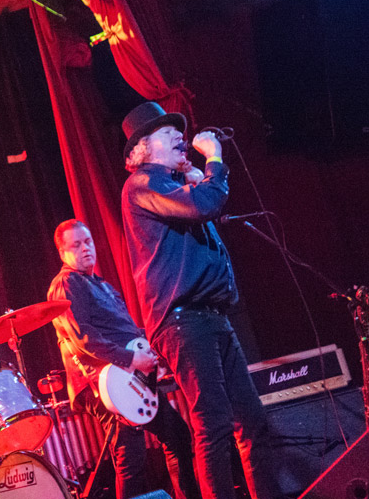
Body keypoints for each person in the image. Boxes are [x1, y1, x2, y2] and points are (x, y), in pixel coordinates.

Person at [120, 101, 278, 499]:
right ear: (142, 148)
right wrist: (215, 160)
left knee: (252, 421)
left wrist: (197, 177)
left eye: (179, 130)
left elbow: (203, 208)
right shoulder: (142, 183)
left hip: (209, 316)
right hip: (183, 321)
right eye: (167, 131)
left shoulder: (173, 186)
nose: (180, 135)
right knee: (214, 425)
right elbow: (204, 204)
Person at [48, 219, 200, 499]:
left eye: (88, 242)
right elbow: (84, 339)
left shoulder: (101, 285)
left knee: (176, 435)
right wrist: (132, 359)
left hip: (128, 378)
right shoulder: (66, 284)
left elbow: (126, 331)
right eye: (76, 245)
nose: (86, 248)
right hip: (101, 382)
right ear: (62, 252)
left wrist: (154, 345)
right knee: (132, 458)